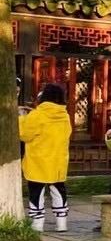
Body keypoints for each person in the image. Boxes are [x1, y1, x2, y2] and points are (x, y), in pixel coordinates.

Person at [20, 83, 72, 232]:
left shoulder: (36, 115)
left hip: (38, 161)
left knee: (36, 193)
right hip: (58, 161)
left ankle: (37, 225)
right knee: (59, 191)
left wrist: (22, 118)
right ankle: (62, 224)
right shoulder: (65, 116)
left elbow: (25, 135)